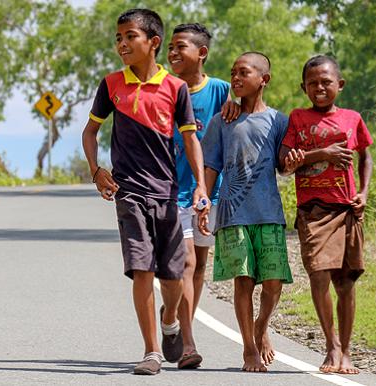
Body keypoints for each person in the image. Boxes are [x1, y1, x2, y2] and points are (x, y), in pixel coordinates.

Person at [81, 8, 210, 376]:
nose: (122, 43)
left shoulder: (175, 88)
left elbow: (190, 140)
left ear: (153, 42)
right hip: (129, 192)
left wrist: (200, 184)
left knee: (172, 277)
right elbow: (90, 132)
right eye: (118, 38)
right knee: (141, 269)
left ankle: (169, 320)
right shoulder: (111, 85)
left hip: (167, 194)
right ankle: (151, 351)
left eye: (130, 37)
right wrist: (96, 170)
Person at [279, 55, 373, 375]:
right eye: (312, 83)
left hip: (347, 209)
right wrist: (321, 153)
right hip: (314, 212)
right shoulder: (297, 118)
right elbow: (284, 162)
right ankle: (330, 344)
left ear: (340, 85)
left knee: (345, 283)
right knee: (319, 276)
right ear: (303, 87)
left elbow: (365, 158)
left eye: (326, 82)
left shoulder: (352, 118)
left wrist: (364, 193)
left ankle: (346, 351)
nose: (319, 87)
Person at [201, 52, 293, 372]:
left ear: (263, 79)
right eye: (232, 73)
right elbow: (211, 164)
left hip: (268, 212)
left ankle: (261, 326)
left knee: (273, 283)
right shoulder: (222, 120)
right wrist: (204, 200)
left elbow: (283, 166)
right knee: (243, 281)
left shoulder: (279, 121)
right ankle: (248, 349)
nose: (236, 78)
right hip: (232, 213)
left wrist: (292, 163)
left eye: (244, 72)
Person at [166, 22, 239, 369]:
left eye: (181, 46)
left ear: (202, 53)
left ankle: (175, 319)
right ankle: (188, 342)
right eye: (170, 47)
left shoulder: (223, 92)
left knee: (198, 269)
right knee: (186, 263)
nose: (173, 53)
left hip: (212, 193)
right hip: (172, 191)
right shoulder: (164, 89)